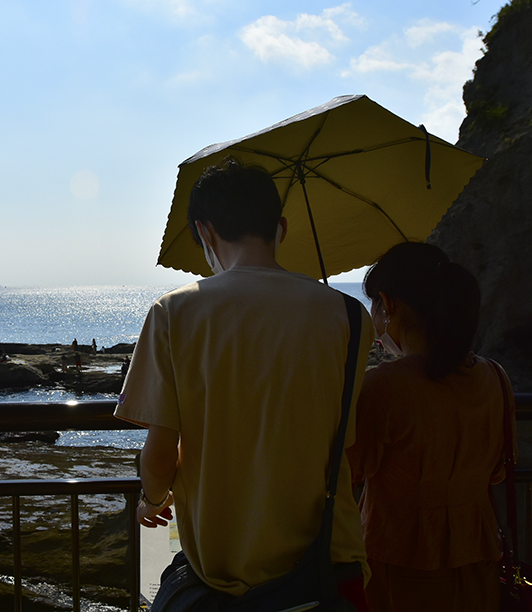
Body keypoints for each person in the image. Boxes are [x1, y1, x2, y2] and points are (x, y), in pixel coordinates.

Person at [115, 157, 371, 609]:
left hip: (224, 572)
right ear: (281, 228)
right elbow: (342, 439)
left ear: (206, 232)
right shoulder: (349, 314)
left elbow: (159, 451)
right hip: (326, 570)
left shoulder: (173, 312)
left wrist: (151, 499)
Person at [346, 242, 509, 612]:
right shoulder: (494, 377)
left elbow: (346, 471)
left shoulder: (385, 385)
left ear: (388, 304)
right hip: (479, 559)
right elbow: (498, 470)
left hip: (398, 562)